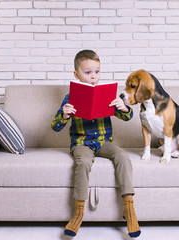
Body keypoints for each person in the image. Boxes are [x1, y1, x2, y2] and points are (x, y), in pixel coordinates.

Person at [51, 49, 141, 238]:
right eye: (88, 72)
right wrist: (64, 114)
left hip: (103, 142)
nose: (93, 76)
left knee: (123, 157)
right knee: (83, 162)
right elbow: (55, 126)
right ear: (76, 74)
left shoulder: (107, 95)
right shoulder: (70, 98)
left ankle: (129, 209)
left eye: (97, 72)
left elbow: (128, 117)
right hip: (81, 143)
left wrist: (123, 108)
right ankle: (78, 212)